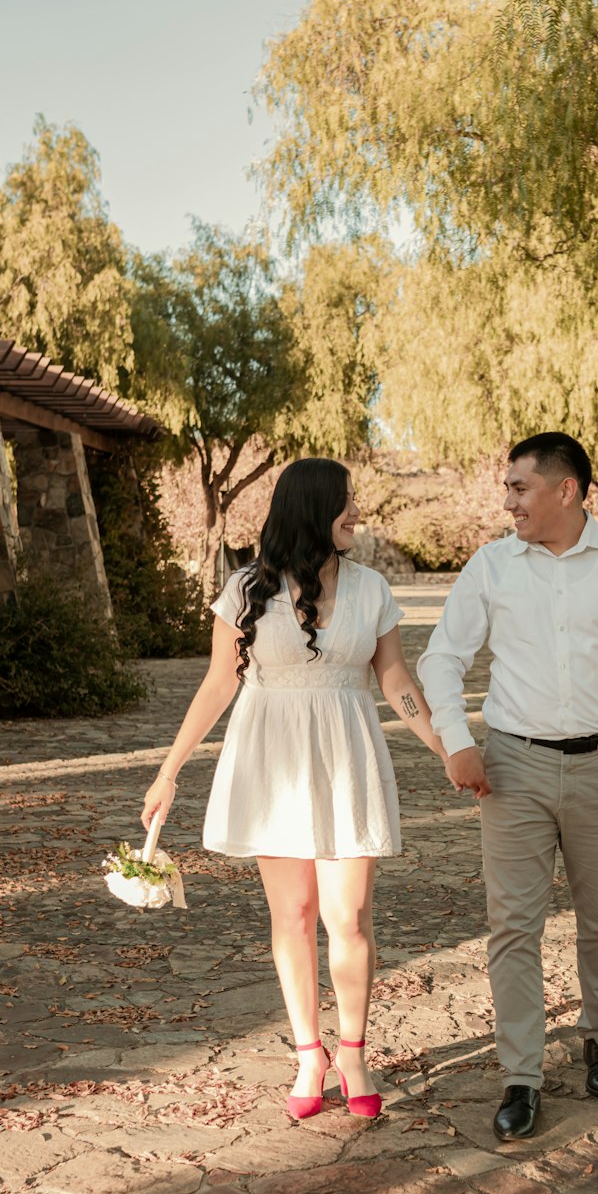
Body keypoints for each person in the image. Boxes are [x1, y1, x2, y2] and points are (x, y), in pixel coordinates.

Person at [142, 457, 446, 1121]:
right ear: (314, 508)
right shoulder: (246, 588)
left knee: (349, 918)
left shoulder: (370, 590)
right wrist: (170, 772)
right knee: (295, 916)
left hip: (344, 757)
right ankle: (310, 1053)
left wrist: (446, 749)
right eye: (347, 504)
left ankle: (354, 1052)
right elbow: (219, 683)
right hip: (270, 760)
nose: (357, 515)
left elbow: (395, 679)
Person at [418, 432, 598, 1141]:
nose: (507, 502)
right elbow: (442, 658)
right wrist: (457, 743)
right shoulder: (492, 567)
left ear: (565, 491)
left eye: (519, 488)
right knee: (514, 926)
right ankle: (522, 1075)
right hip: (513, 768)